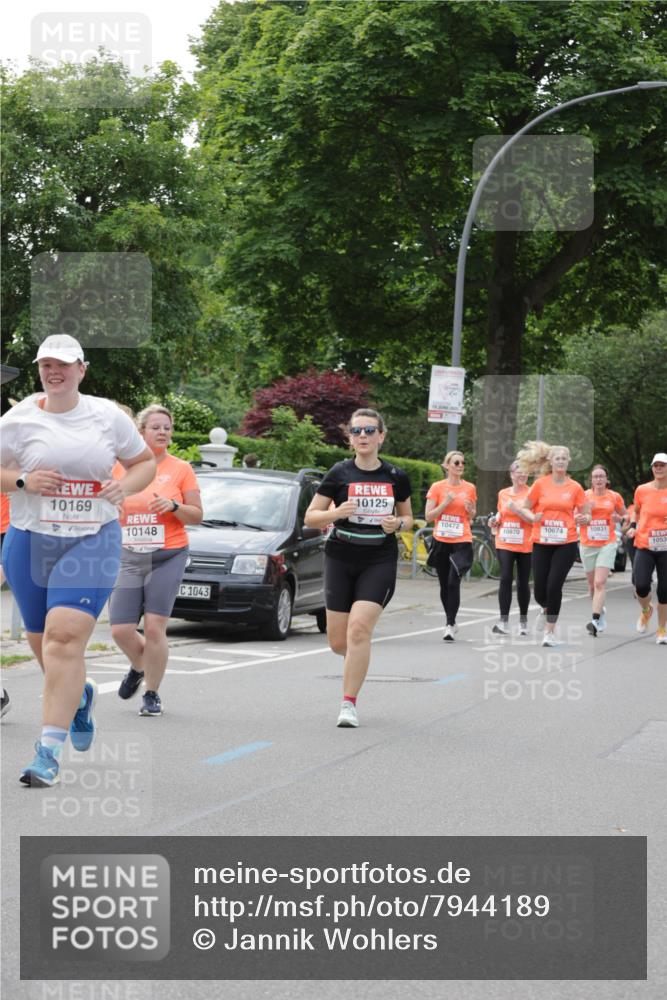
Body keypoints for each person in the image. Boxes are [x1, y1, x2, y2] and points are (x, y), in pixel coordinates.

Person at [0, 335, 155, 786]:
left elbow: (142, 462)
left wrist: (124, 487)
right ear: (39, 370)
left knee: (64, 640)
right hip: (31, 541)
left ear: (82, 370)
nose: (55, 372)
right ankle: (80, 697)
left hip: (91, 539)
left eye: (64, 365)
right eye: (47, 364)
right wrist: (24, 480)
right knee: (44, 647)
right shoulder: (18, 419)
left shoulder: (106, 416)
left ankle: (47, 752)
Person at [304, 409, 413, 727]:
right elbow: (311, 517)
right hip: (340, 557)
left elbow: (409, 518)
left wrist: (397, 523)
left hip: (379, 559)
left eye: (369, 430)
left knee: (359, 630)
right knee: (339, 642)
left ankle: (348, 704)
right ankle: (358, 655)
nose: (362, 436)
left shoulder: (395, 475)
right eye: (356, 431)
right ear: (349, 438)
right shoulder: (339, 473)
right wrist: (336, 514)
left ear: (381, 435)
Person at [110, 405, 203, 715]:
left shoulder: (181, 469)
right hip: (128, 556)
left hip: (168, 554)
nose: (163, 432)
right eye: (156, 427)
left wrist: (174, 506)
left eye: (167, 427)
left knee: (153, 628)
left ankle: (151, 693)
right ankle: (139, 666)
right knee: (121, 630)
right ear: (141, 432)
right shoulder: (119, 468)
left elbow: (197, 516)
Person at [517, 442, 589, 647]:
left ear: (568, 462)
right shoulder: (540, 484)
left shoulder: (575, 487)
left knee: (554, 585)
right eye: (557, 458)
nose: (560, 461)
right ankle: (546, 607)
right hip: (541, 541)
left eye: (564, 458)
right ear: (550, 461)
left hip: (565, 542)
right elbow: (525, 507)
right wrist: (533, 516)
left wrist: (585, 519)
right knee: (540, 590)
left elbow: (586, 513)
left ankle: (550, 631)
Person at [425, 451, 477, 641]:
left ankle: (449, 623)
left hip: (462, 539)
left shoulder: (470, 488)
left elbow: (471, 515)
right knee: (444, 584)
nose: (460, 465)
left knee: (453, 581)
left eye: (463, 462)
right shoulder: (437, 487)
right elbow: (429, 516)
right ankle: (451, 621)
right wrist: (445, 502)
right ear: (446, 466)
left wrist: (470, 511)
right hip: (441, 539)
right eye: (456, 462)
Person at [488, 460, 535, 636]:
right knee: (506, 577)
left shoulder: (532, 493)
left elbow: (532, 520)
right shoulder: (503, 494)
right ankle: (503, 621)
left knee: (522, 581)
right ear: (511, 474)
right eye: (518, 471)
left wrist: (517, 510)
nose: (522, 474)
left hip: (525, 542)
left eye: (525, 472)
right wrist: (494, 520)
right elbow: (501, 514)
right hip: (505, 540)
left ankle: (523, 621)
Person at [579, 465, 626, 637]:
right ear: (591, 480)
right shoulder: (583, 496)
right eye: (595, 477)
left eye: (601, 476)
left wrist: (619, 518)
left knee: (600, 583)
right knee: (592, 585)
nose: (598, 479)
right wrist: (582, 518)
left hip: (607, 543)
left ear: (607, 479)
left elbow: (626, 516)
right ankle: (601, 612)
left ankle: (595, 619)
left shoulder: (614, 497)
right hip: (587, 544)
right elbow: (574, 517)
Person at [627, 452, 667, 644]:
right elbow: (636, 512)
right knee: (641, 586)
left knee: (665, 590)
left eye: (662, 465)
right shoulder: (642, 490)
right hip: (645, 544)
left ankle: (661, 630)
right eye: (655, 465)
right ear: (652, 468)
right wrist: (633, 527)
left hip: (666, 549)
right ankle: (646, 610)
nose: (658, 468)